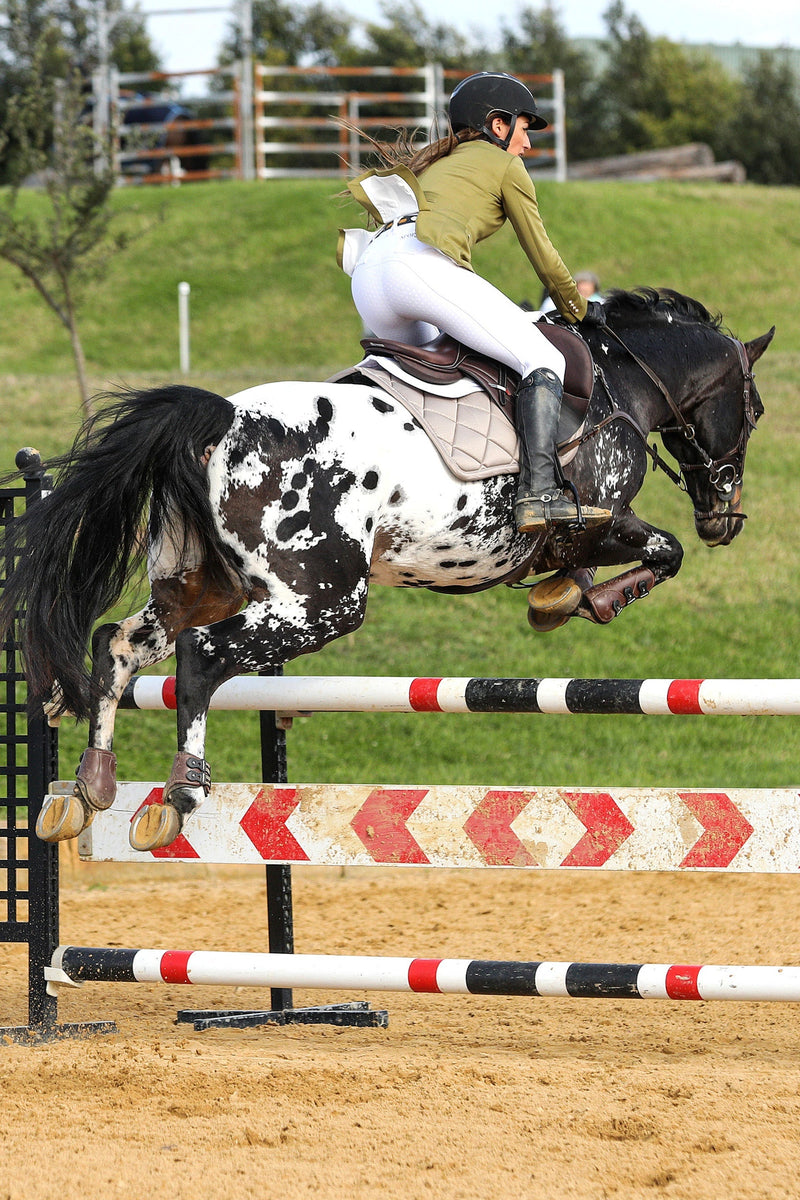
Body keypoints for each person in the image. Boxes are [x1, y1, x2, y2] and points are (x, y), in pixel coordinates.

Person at [337, 71, 611, 533]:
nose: (527, 144)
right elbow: (543, 257)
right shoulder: (504, 165)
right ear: (498, 126)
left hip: (369, 272)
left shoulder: (441, 161)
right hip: (417, 265)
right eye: (524, 129)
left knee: (426, 381)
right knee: (541, 356)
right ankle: (539, 492)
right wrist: (579, 309)